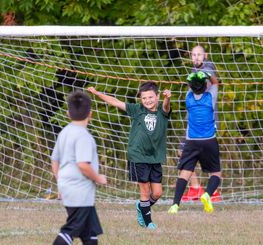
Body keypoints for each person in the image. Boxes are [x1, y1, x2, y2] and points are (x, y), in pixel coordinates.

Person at [36, 91, 107, 245]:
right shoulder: (84, 136)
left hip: (69, 186)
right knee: (72, 229)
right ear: (90, 113)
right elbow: (83, 165)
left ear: (68, 113)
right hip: (79, 189)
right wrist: (98, 178)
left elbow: (55, 160)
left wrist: (60, 183)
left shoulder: (65, 132)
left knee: (89, 229)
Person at [88, 82, 171, 229]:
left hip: (155, 157)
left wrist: (167, 98)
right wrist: (97, 93)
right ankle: (148, 222)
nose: (147, 101)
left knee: (157, 193)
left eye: (150, 97)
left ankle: (142, 207)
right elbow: (115, 102)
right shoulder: (137, 109)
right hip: (137, 155)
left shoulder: (162, 112)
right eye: (144, 98)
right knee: (145, 191)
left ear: (157, 97)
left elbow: (166, 106)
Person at [168, 71, 222, 214]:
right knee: (216, 173)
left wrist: (194, 78)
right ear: (206, 85)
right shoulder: (210, 96)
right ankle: (207, 194)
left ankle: (175, 205)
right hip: (209, 140)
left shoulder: (188, 97)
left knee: (185, 173)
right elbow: (216, 82)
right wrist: (207, 74)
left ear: (190, 87)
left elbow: (191, 86)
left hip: (191, 141)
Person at [181, 45, 221, 202]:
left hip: (206, 122)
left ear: (205, 55)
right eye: (193, 55)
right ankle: (196, 188)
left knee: (210, 156)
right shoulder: (193, 71)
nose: (196, 57)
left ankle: (213, 191)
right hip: (193, 122)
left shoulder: (208, 68)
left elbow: (212, 82)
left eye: (199, 54)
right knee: (183, 152)